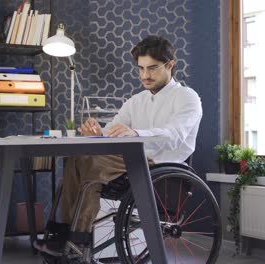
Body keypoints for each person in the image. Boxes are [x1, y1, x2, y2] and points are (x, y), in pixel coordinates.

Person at [36, 35, 203, 256]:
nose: (145, 75)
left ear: (170, 65)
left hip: (162, 168)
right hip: (130, 163)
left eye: (152, 68)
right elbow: (113, 128)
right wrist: (98, 132)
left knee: (90, 163)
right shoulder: (136, 101)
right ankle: (64, 233)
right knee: (76, 157)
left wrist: (135, 133)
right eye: (141, 68)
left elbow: (174, 135)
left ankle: (78, 238)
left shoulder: (187, 98)